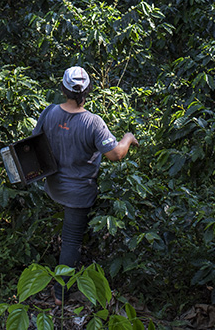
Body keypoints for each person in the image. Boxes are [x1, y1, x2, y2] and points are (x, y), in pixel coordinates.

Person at [32, 66, 138, 305]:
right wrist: (128, 138)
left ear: (63, 89)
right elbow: (116, 155)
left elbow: (34, 142)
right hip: (78, 194)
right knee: (71, 240)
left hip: (53, 187)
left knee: (67, 231)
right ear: (88, 90)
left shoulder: (49, 113)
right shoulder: (93, 122)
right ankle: (60, 294)